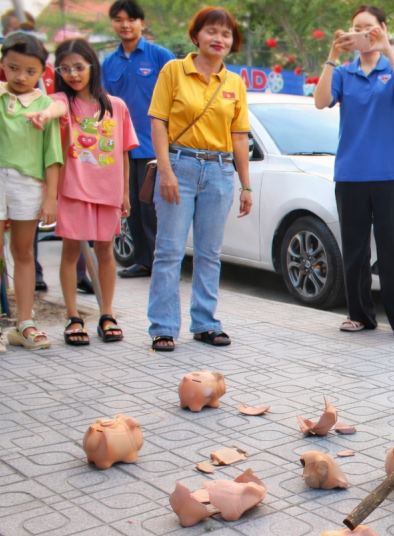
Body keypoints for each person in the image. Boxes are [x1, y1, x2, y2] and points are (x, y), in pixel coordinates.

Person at [313, 4, 394, 339]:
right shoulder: (343, 73)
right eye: (356, 28)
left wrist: (388, 49)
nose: (363, 33)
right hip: (350, 173)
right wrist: (332, 55)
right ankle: (359, 314)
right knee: (355, 247)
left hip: (389, 172)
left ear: (381, 29)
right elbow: (320, 102)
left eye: (370, 28)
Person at [146, 6, 252, 352]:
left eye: (226, 34)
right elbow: (158, 121)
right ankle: (163, 326)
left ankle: (205, 322)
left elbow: (239, 136)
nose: (218, 39)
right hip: (180, 165)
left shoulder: (235, 82)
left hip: (221, 171)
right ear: (196, 36)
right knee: (169, 251)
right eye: (211, 31)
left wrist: (245, 184)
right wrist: (165, 170)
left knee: (209, 252)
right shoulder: (174, 70)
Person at [49, 38, 138, 345]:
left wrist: (125, 193)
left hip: (108, 192)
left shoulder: (117, 107)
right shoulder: (62, 101)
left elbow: (125, 152)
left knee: (106, 253)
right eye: (66, 68)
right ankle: (73, 317)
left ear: (92, 67)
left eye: (79, 67)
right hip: (73, 190)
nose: (73, 73)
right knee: (71, 252)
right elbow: (54, 106)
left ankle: (107, 314)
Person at [0, 33, 65, 353]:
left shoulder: (46, 105)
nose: (20, 77)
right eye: (13, 68)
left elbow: (53, 154)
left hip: (28, 184)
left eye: (29, 71)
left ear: (42, 71)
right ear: (1, 64)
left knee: (23, 254)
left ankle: (24, 324)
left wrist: (50, 197)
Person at [102, 0, 175, 279]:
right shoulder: (109, 63)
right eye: (119, 19)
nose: (125, 24)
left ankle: (163, 264)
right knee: (130, 206)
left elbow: (178, 96)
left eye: (131, 19)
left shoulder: (160, 56)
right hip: (122, 148)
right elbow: (104, 105)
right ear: (113, 24)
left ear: (142, 23)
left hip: (154, 146)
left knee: (153, 209)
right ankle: (143, 261)